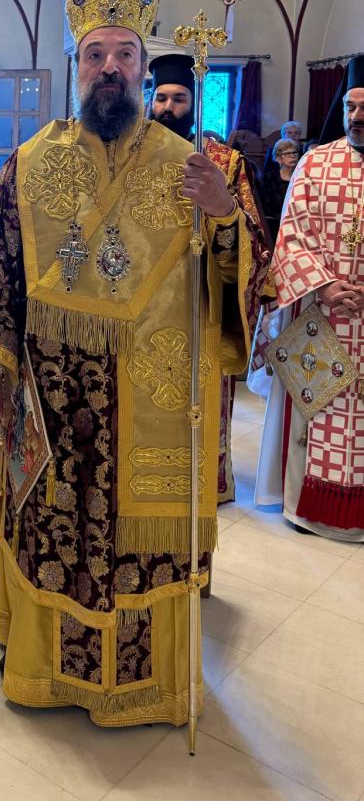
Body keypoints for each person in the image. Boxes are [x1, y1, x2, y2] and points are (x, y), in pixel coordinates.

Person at [0, 0, 268, 726]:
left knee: (137, 542)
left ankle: (141, 687)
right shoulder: (31, 162)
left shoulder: (197, 170)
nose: (111, 68)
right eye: (96, 55)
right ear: (77, 66)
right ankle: (44, 672)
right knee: (48, 523)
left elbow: (249, 277)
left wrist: (225, 217)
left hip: (153, 399)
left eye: (125, 54)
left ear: (144, 67)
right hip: (49, 397)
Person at [147, 52, 271, 503]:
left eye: (179, 98)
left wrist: (222, 209)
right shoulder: (129, 156)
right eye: (161, 98)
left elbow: (254, 241)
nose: (168, 107)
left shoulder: (226, 162)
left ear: (195, 104)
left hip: (200, 303)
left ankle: (202, 486)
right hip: (141, 304)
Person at [253, 54, 364, 542]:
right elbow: (291, 235)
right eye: (350, 107)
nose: (357, 116)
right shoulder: (315, 163)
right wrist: (326, 285)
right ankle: (310, 509)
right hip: (323, 313)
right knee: (320, 412)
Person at [261, 136, 299, 244]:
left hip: (297, 222)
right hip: (275, 224)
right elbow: (266, 207)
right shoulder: (269, 178)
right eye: (287, 153)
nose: (293, 156)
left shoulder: (301, 177)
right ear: (278, 158)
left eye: (294, 152)